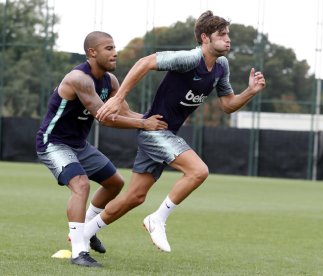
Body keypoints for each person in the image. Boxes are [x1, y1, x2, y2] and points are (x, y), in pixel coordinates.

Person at [83, 10, 266, 253]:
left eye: (228, 35)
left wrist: (250, 91)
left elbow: (228, 105)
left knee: (134, 198)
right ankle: (157, 219)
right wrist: (119, 99)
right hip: (155, 132)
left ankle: (83, 234)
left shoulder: (221, 66)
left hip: (162, 133)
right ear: (205, 38)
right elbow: (144, 62)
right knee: (198, 171)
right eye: (221, 35)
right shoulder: (190, 59)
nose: (228, 39)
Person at [35, 31, 168, 267]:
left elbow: (124, 112)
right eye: (108, 48)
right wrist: (144, 124)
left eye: (115, 47)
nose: (115, 52)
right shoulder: (79, 78)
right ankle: (78, 252)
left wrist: (157, 122)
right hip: (53, 143)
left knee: (115, 183)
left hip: (78, 146)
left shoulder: (111, 81)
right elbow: (105, 117)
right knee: (81, 185)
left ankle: (88, 228)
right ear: (92, 53)